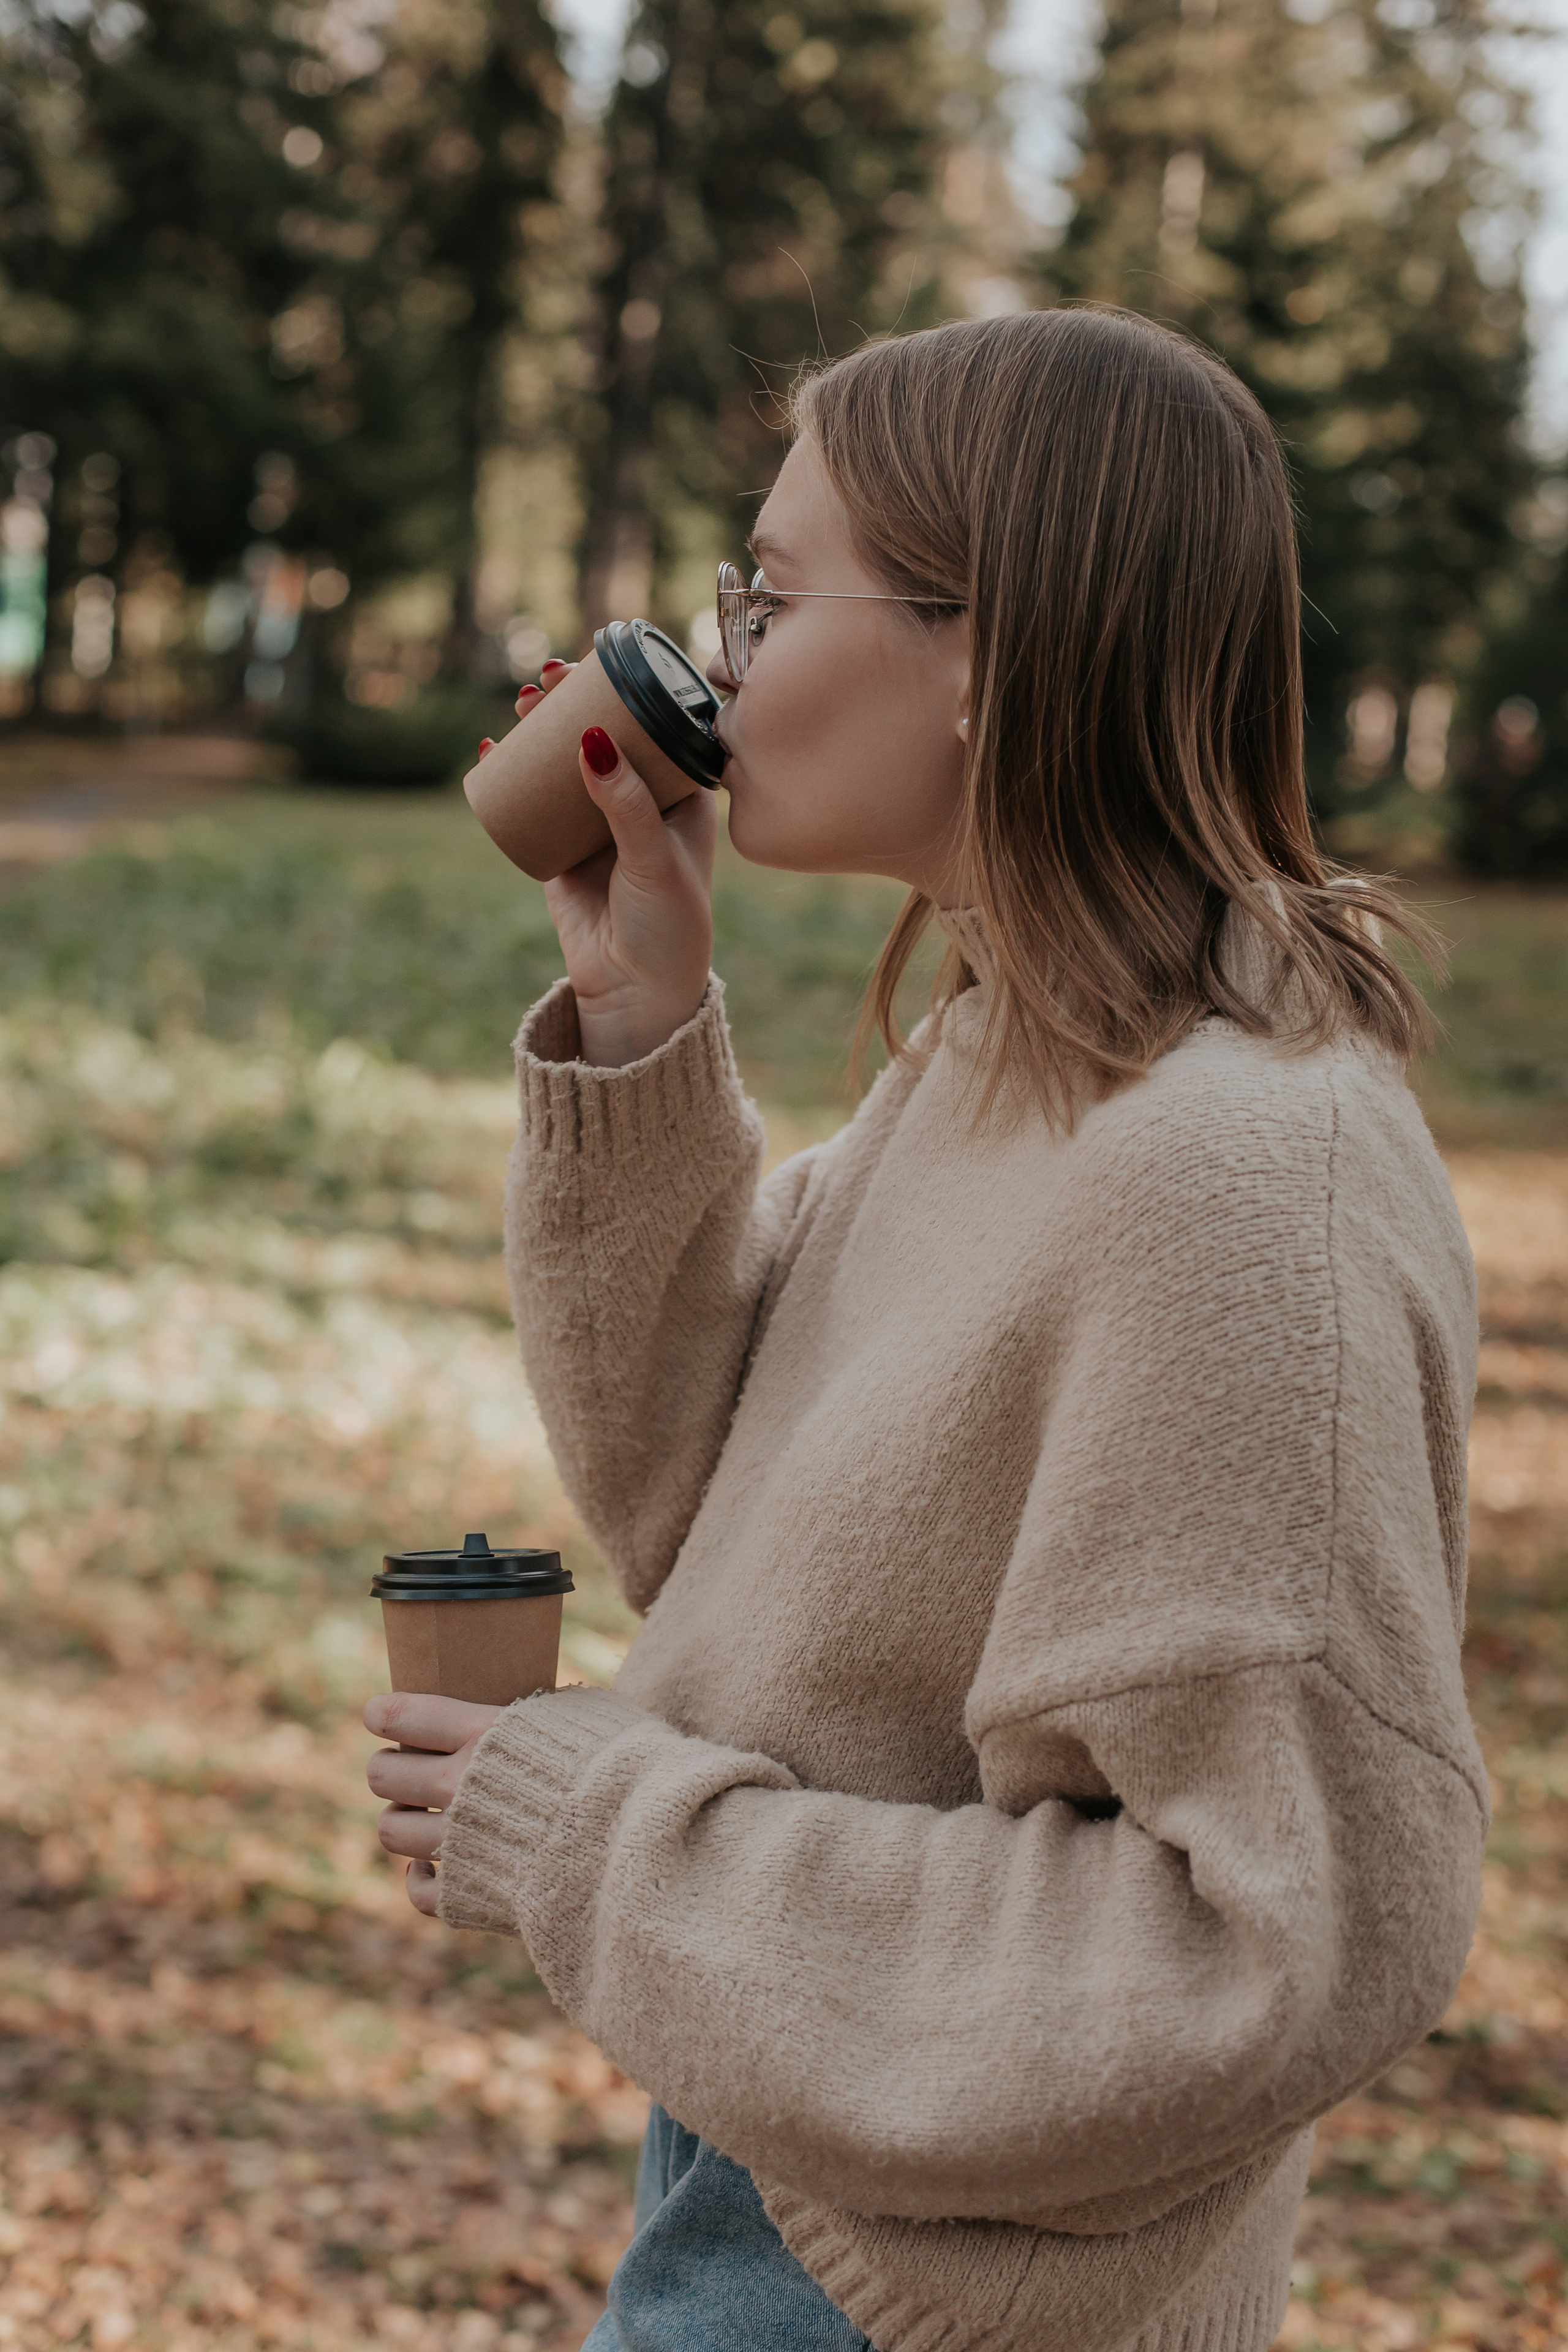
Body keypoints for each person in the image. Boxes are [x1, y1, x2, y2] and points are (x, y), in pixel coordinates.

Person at [363, 309, 1485, 2352]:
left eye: (770, 597)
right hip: (803, 2164)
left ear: (984, 646)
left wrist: (602, 1835)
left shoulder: (1235, 1175)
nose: (722, 655)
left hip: (936, 2292)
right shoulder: (1011, 1057)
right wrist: (637, 1024)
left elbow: (1270, 1936)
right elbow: (701, 1502)